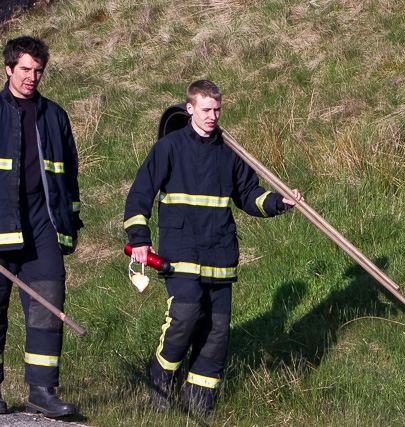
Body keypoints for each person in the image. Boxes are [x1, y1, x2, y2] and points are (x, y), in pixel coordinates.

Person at [123, 80, 303, 417]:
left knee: (216, 334)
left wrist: (281, 202)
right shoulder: (169, 148)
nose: (213, 116)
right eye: (206, 109)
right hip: (181, 255)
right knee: (186, 316)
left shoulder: (229, 153)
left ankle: (199, 406)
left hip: (220, 257)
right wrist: (139, 238)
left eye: (217, 110)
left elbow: (250, 196)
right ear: (189, 108)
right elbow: (139, 195)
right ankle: (162, 379)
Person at [0, 36, 83, 418]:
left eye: (38, 70)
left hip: (42, 231)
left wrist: (69, 223)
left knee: (47, 308)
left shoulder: (55, 116)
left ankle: (42, 390)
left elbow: (68, 175)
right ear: (8, 69)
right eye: (25, 69)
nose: (32, 77)